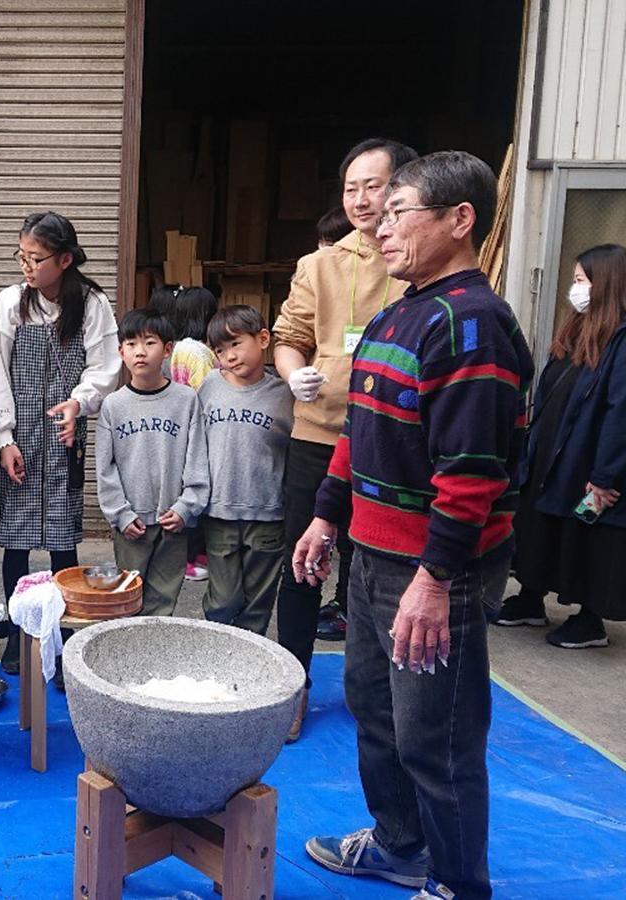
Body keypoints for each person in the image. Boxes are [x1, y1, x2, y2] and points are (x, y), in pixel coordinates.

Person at [294, 151, 533, 900]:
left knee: (440, 737)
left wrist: (434, 581)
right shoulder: (403, 311)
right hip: (373, 556)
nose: (381, 225)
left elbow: (471, 478)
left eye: (400, 212)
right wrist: (327, 518)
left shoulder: (474, 328)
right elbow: (357, 431)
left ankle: (459, 884)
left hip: (434, 571)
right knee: (373, 704)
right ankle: (400, 845)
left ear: (459, 221)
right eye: (380, 211)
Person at [272, 137, 418, 739]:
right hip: (320, 431)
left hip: (392, 439)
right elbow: (288, 336)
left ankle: (373, 690)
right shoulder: (320, 264)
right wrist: (291, 371)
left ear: (404, 189)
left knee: (374, 567)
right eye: (351, 187)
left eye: (375, 186)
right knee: (302, 562)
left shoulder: (418, 267)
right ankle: (293, 685)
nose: (361, 199)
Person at [0, 211, 121, 674]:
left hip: (65, 431)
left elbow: (103, 368)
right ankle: (20, 633)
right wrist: (4, 437)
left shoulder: (93, 303)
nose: (26, 266)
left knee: (64, 542)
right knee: (15, 542)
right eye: (21, 256)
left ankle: (62, 635)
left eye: (36, 258)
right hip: (20, 434)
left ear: (64, 259)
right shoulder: (9, 302)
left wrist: (79, 405)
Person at [496, 244, 626, 648]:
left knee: (586, 535)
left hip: (588, 463)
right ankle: (531, 598)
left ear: (605, 284)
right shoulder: (577, 330)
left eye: (581, 281)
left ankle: (589, 620)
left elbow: (621, 412)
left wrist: (605, 476)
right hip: (552, 455)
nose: (575, 290)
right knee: (539, 526)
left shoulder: (621, 341)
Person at [95, 308, 208, 616]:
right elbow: (105, 469)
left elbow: (197, 459)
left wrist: (187, 507)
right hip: (132, 524)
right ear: (120, 352)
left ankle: (157, 658)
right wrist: (120, 514)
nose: (140, 352)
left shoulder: (185, 401)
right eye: (131, 344)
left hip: (173, 521)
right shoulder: (113, 406)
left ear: (168, 349)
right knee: (127, 599)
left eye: (149, 342)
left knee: (163, 603)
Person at [197, 305, 293, 633]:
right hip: (219, 511)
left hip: (268, 513)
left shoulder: (285, 393)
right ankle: (214, 659)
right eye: (220, 350)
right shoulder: (209, 386)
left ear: (263, 338)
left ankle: (250, 673)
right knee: (222, 601)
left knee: (257, 604)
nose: (230, 356)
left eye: (236, 344)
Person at [155, 285, 219, 581]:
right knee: (200, 493)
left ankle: (186, 557)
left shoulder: (176, 347)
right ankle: (195, 558)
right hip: (200, 431)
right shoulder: (197, 351)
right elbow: (208, 392)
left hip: (176, 430)